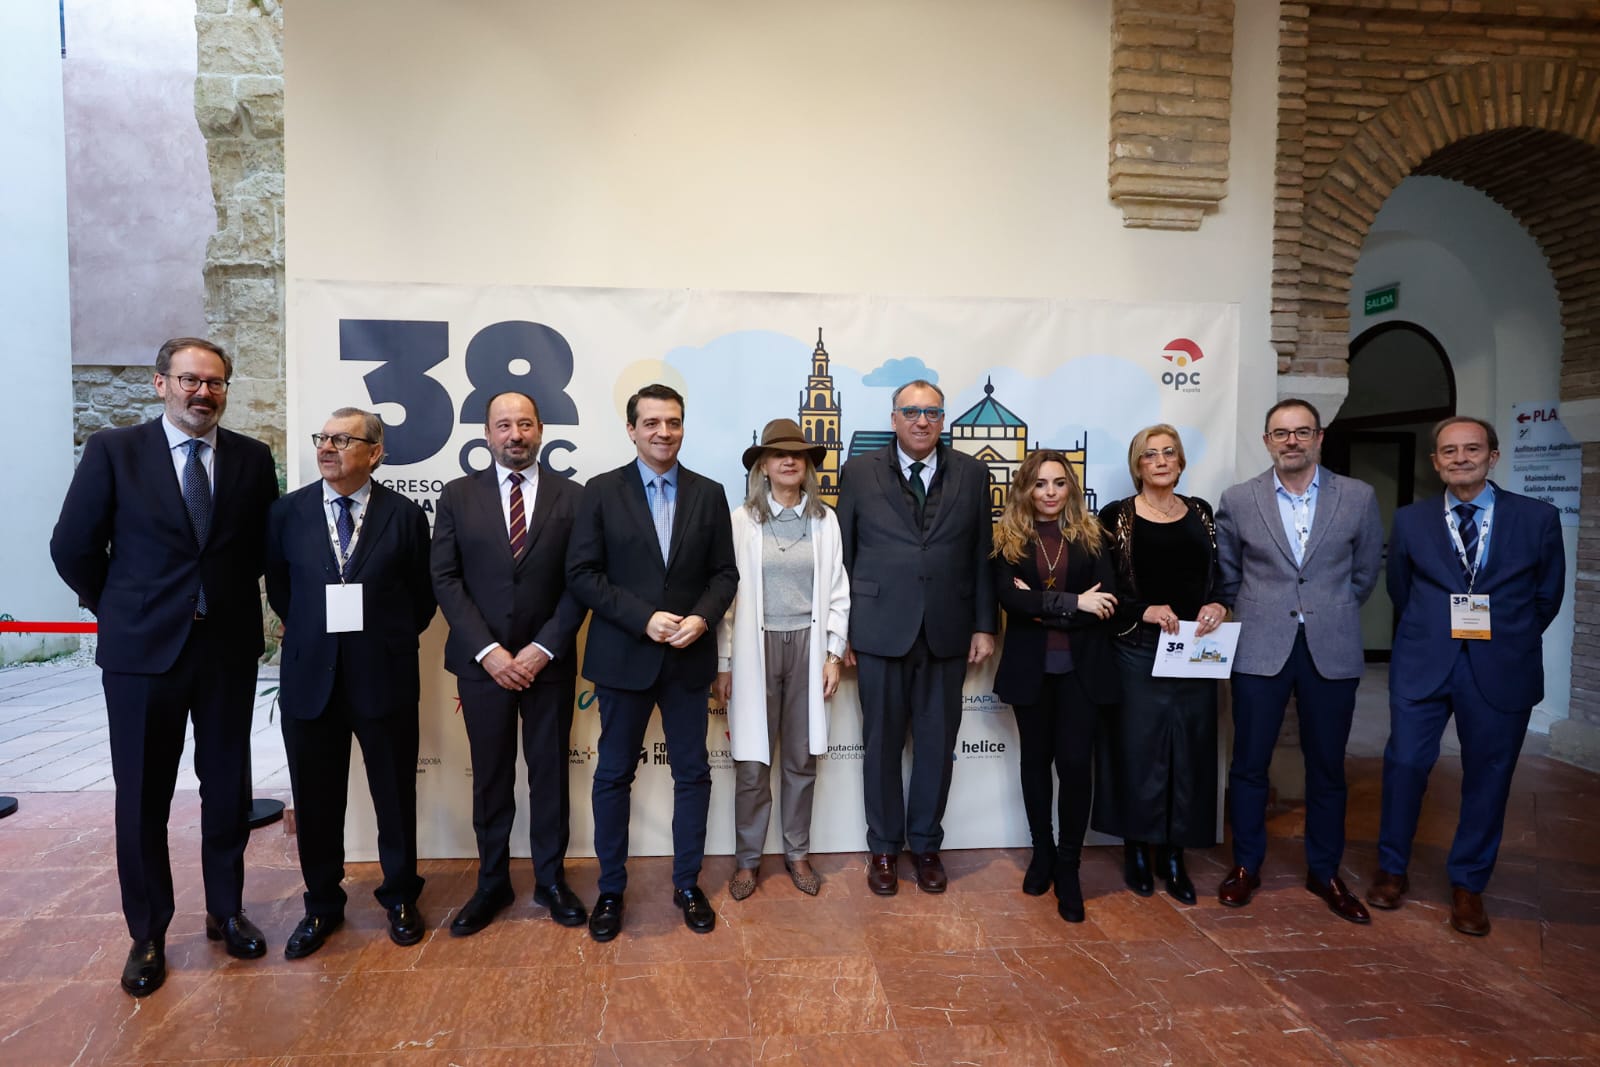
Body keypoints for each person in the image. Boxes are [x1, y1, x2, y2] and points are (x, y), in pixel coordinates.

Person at [50, 337, 279, 996]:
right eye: (189, 380)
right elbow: (73, 546)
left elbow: (258, 550)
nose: (202, 392)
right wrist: (120, 606)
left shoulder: (251, 458)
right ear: (160, 384)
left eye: (214, 382)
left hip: (225, 650)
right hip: (142, 654)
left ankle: (226, 911)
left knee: (228, 789)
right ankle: (147, 932)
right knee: (143, 795)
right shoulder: (114, 451)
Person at [1367, 416, 1563, 936]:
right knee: (1405, 764)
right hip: (1424, 662)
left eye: (1472, 449)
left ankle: (1469, 884)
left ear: (1493, 456)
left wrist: (1508, 638)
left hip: (1502, 666)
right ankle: (1391, 869)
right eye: (1449, 451)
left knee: (1488, 776)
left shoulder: (1537, 518)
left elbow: (1547, 596)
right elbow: (1401, 589)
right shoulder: (1410, 520)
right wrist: (1434, 631)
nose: (1460, 458)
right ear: (1435, 462)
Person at [566, 383, 738, 941]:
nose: (664, 432)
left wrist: (703, 618)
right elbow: (582, 575)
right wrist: (643, 618)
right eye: (652, 423)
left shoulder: (709, 493)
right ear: (632, 429)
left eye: (673, 422)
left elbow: (725, 574)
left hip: (689, 660)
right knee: (614, 775)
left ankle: (687, 884)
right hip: (624, 657)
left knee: (693, 774)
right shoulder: (600, 491)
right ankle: (610, 890)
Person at [265, 408, 436, 957]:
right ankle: (321, 904)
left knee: (395, 795)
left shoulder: (405, 516)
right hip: (310, 678)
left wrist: (381, 639)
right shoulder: (287, 512)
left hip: (383, 676)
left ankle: (401, 896)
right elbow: (282, 591)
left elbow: (421, 599)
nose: (327, 447)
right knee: (315, 800)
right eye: (323, 438)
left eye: (342, 439)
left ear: (375, 452)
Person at [1215, 398, 1383, 924]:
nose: (1292, 441)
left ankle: (1324, 871)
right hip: (1259, 646)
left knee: (1328, 767)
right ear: (1267, 441)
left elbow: (1365, 571)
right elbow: (1229, 573)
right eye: (1281, 433)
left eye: (1302, 431)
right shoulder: (1239, 499)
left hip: (1331, 647)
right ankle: (1246, 865)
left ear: (1319, 437)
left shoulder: (1357, 496)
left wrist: (1328, 609)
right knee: (1249, 764)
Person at [431, 391, 589, 936]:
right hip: (483, 667)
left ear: (541, 430)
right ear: (487, 434)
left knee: (550, 776)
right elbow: (445, 578)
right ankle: (492, 882)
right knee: (491, 778)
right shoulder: (457, 496)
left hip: (549, 664)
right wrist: (489, 652)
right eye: (503, 425)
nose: (515, 435)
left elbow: (581, 581)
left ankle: (551, 881)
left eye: (524, 424)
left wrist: (543, 648)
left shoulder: (575, 497)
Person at [836, 379, 997, 896]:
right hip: (878, 629)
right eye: (911, 411)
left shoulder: (973, 474)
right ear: (894, 419)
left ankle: (926, 845)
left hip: (948, 631)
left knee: (936, 746)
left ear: (943, 419)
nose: (921, 421)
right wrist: (842, 632)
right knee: (881, 747)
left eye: (931, 412)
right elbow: (843, 555)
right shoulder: (859, 471)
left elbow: (983, 555)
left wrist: (984, 624)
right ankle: (884, 849)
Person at [713, 419, 850, 900]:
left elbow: (838, 590)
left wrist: (833, 653)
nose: (789, 461)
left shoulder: (825, 520)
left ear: (808, 465)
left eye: (798, 454)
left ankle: (797, 853)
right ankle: (748, 860)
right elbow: (727, 601)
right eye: (778, 454)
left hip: (808, 647)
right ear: (763, 467)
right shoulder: (741, 521)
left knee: (800, 757)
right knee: (753, 762)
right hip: (756, 648)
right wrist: (725, 662)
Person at [1093, 425, 1228, 905]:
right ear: (1137, 466)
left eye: (1169, 452)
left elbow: (1218, 577)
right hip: (1137, 648)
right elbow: (1105, 587)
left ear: (1181, 461)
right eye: (1150, 454)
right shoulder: (1117, 516)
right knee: (1139, 751)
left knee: (1190, 752)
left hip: (1195, 649)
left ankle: (1174, 855)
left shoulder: (1202, 512)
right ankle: (1137, 849)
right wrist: (1143, 610)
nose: (1161, 460)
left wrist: (1219, 604)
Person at [990, 450, 1118, 922]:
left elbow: (1106, 603)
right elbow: (1010, 600)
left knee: (1075, 766)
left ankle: (1069, 865)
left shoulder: (1092, 536)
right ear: (1025, 489)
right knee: (1035, 763)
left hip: (1082, 671)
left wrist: (1043, 605)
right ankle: (1042, 852)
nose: (1049, 492)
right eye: (1040, 483)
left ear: (1070, 488)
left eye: (1059, 483)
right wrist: (1073, 602)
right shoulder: (1007, 539)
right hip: (1031, 671)